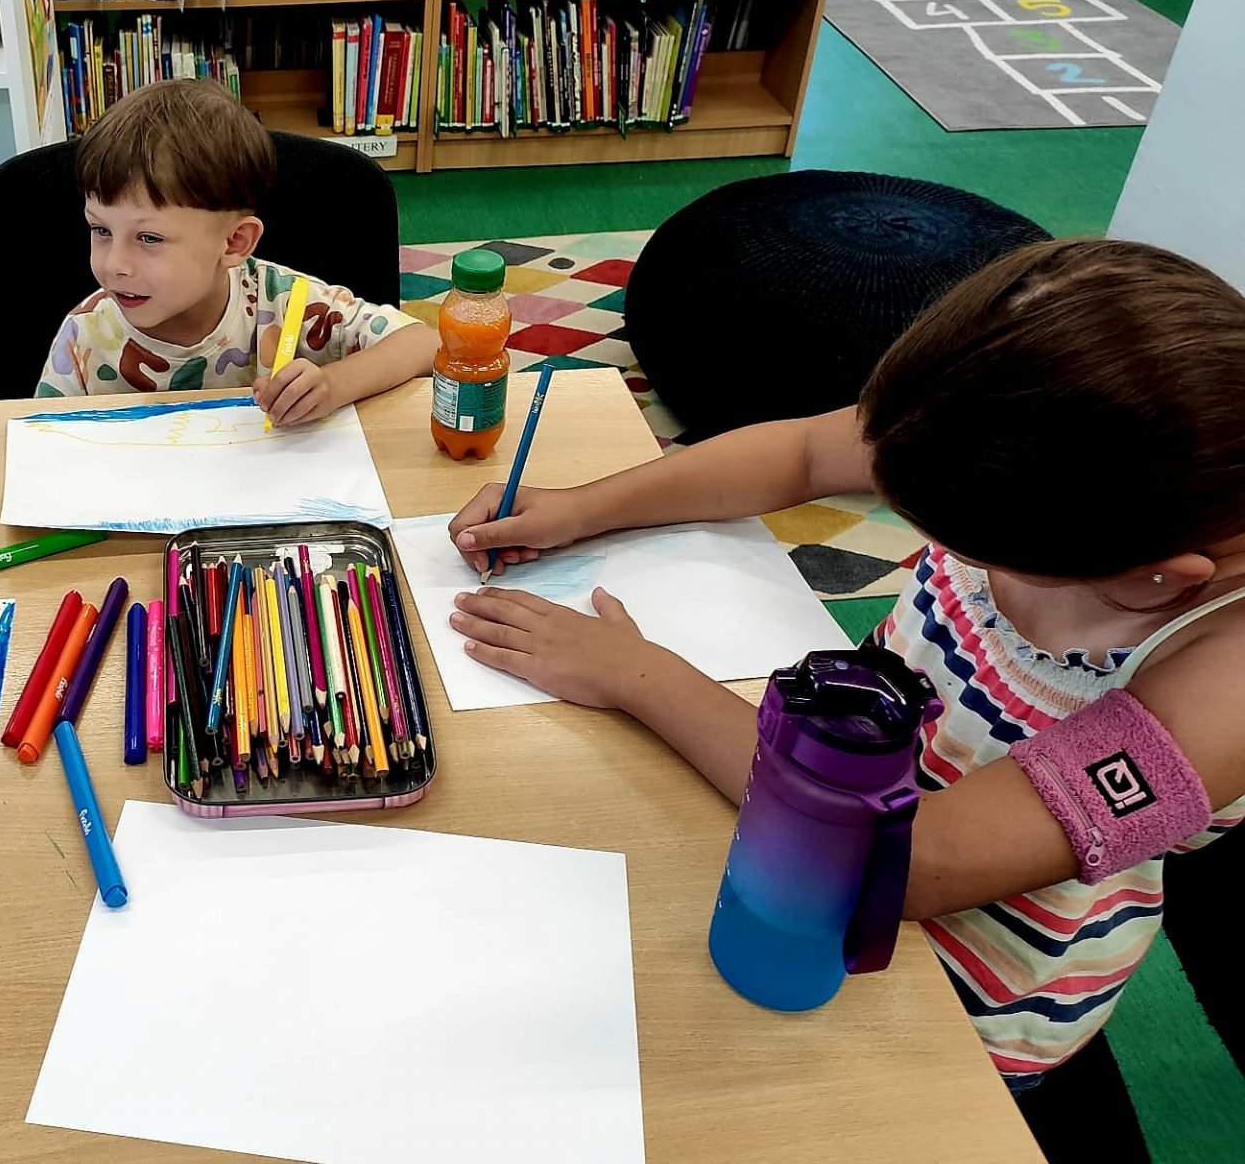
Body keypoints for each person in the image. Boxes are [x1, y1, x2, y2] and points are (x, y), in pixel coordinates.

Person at [446, 239, 1245, 1087]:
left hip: (950, 996)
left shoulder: (1222, 683)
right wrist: (585, 508)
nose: (945, 552)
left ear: (1159, 579)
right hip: (795, 818)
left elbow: (911, 865)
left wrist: (637, 676)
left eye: (969, 549)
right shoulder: (1026, 440)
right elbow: (803, 452)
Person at [35, 78, 437, 425]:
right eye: (101, 230)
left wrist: (333, 384)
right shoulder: (83, 335)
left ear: (234, 242)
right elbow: (43, 444)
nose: (114, 265)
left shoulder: (287, 302)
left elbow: (425, 343)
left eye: (149, 238)